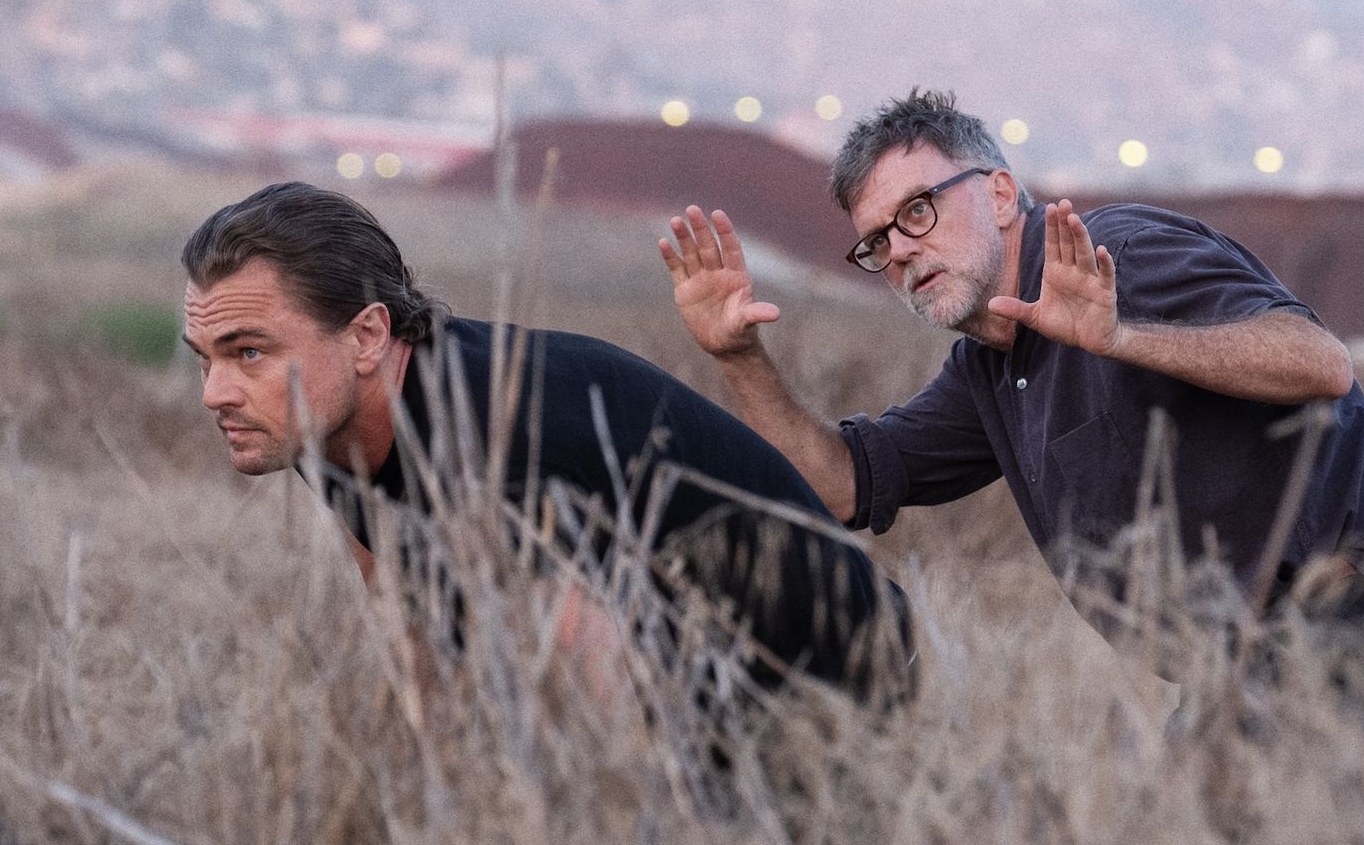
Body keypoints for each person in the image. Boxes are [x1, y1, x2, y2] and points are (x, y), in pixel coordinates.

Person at [659, 90, 1364, 741]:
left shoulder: (1116, 252)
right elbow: (843, 486)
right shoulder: (986, 368)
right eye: (876, 243)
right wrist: (739, 360)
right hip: (1242, 657)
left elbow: (1320, 363)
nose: (899, 251)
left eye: (917, 211)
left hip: (1363, 597)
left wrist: (1120, 336)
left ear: (1002, 193)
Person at [179, 181, 911, 702]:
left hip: (842, 694)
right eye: (204, 356)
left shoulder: (495, 431)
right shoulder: (329, 414)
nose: (216, 393)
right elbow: (410, 632)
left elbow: (604, 737)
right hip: (687, 689)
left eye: (249, 353)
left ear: (369, 334)